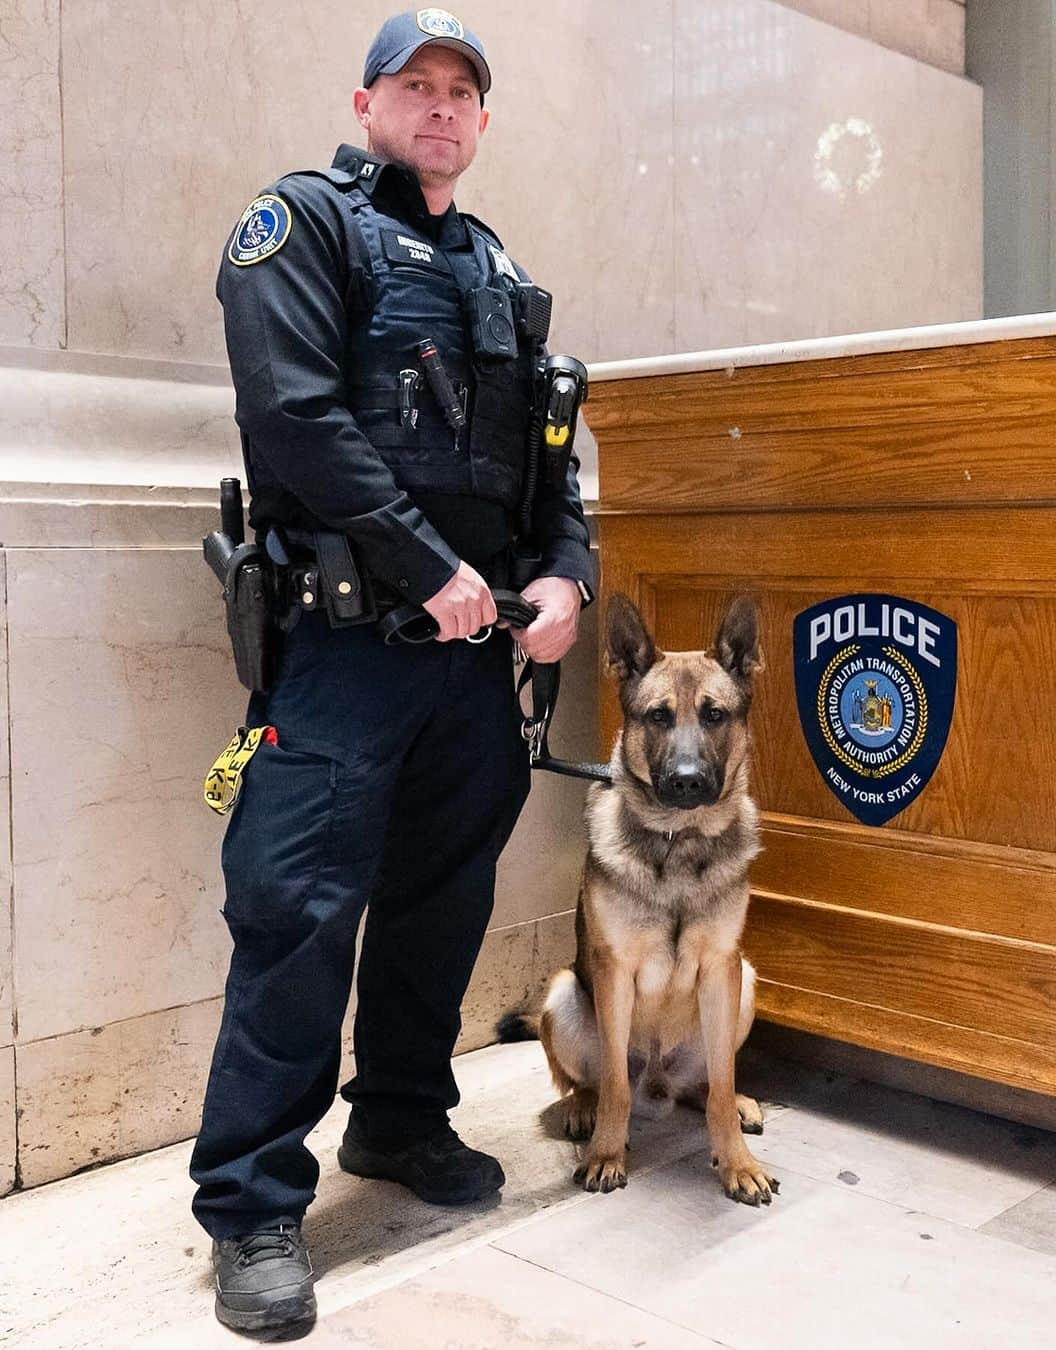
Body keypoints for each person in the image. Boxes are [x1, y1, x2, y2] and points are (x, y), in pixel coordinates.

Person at [189, 9, 593, 1334]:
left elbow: (550, 456)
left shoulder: (494, 263)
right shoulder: (298, 225)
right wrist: (430, 566)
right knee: (298, 916)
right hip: (346, 650)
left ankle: (402, 1119)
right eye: (414, 84)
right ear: (365, 102)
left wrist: (565, 577)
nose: (439, 106)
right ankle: (251, 1204)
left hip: (471, 670)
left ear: (482, 123)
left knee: (440, 903)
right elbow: (294, 417)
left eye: (461, 91)